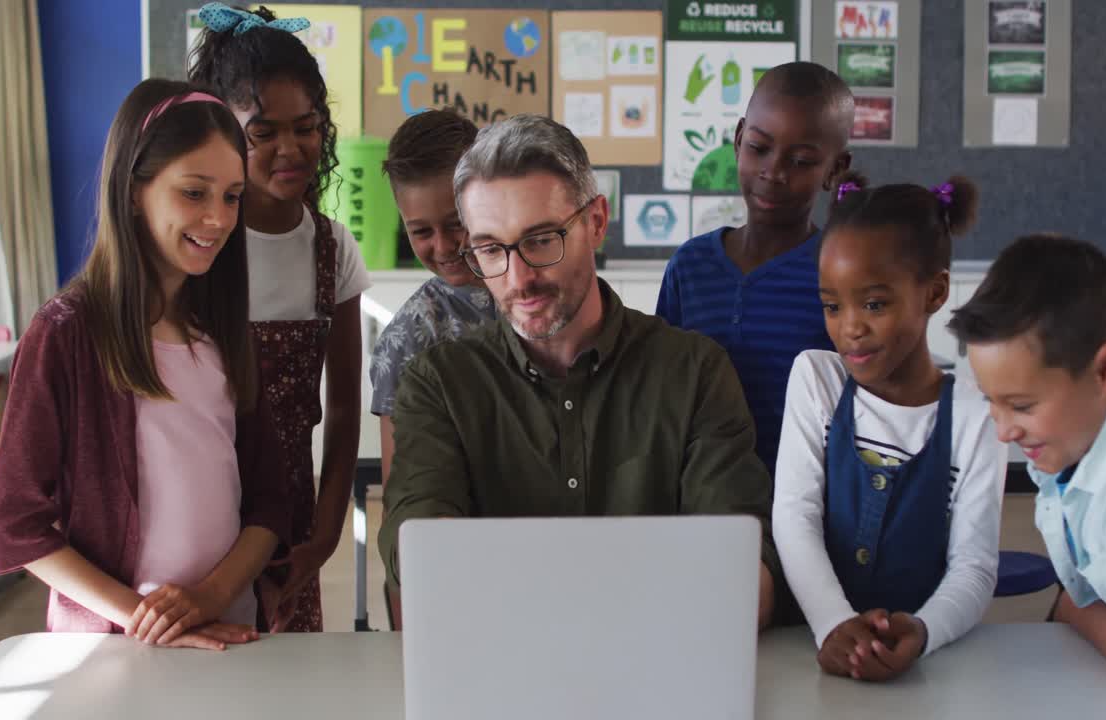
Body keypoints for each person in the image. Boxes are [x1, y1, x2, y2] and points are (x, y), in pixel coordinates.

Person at [379, 115, 786, 628]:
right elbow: (417, 551)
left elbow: (745, 564)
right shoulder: (437, 385)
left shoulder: (694, 373)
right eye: (489, 249)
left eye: (542, 239)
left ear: (595, 222)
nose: (519, 279)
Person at [0, 79, 289, 650]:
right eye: (194, 193)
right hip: (113, 645)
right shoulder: (65, 333)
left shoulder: (226, 334)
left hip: (230, 633)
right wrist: (147, 618)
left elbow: (270, 504)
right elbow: (16, 525)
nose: (220, 219)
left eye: (231, 196)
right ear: (132, 190)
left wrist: (212, 596)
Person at [774, 173, 1006, 681]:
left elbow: (974, 566)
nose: (849, 327)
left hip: (924, 669)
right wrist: (833, 624)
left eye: (874, 304)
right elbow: (795, 517)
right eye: (832, 306)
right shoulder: (817, 380)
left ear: (934, 292)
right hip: (808, 646)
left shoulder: (974, 416)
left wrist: (922, 631)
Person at [189, 2, 371, 632]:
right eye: (262, 133)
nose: (290, 149)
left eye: (307, 127)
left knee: (288, 680)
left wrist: (323, 537)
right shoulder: (199, 247)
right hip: (198, 510)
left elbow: (344, 409)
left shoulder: (330, 247)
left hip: (291, 527)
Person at [950, 234, 1106, 680]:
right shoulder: (1079, 429)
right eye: (992, 401)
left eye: (1022, 405)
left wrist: (1072, 610)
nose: (1004, 429)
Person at [657, 62, 853, 475]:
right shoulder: (691, 267)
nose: (773, 172)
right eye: (759, 148)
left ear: (834, 171)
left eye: (801, 161)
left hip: (808, 505)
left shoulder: (839, 272)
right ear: (739, 138)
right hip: (701, 497)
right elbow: (664, 389)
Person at [370, 109, 496, 486]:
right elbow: (403, 488)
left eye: (456, 223)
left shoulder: (535, 293)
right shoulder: (409, 335)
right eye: (422, 231)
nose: (443, 246)